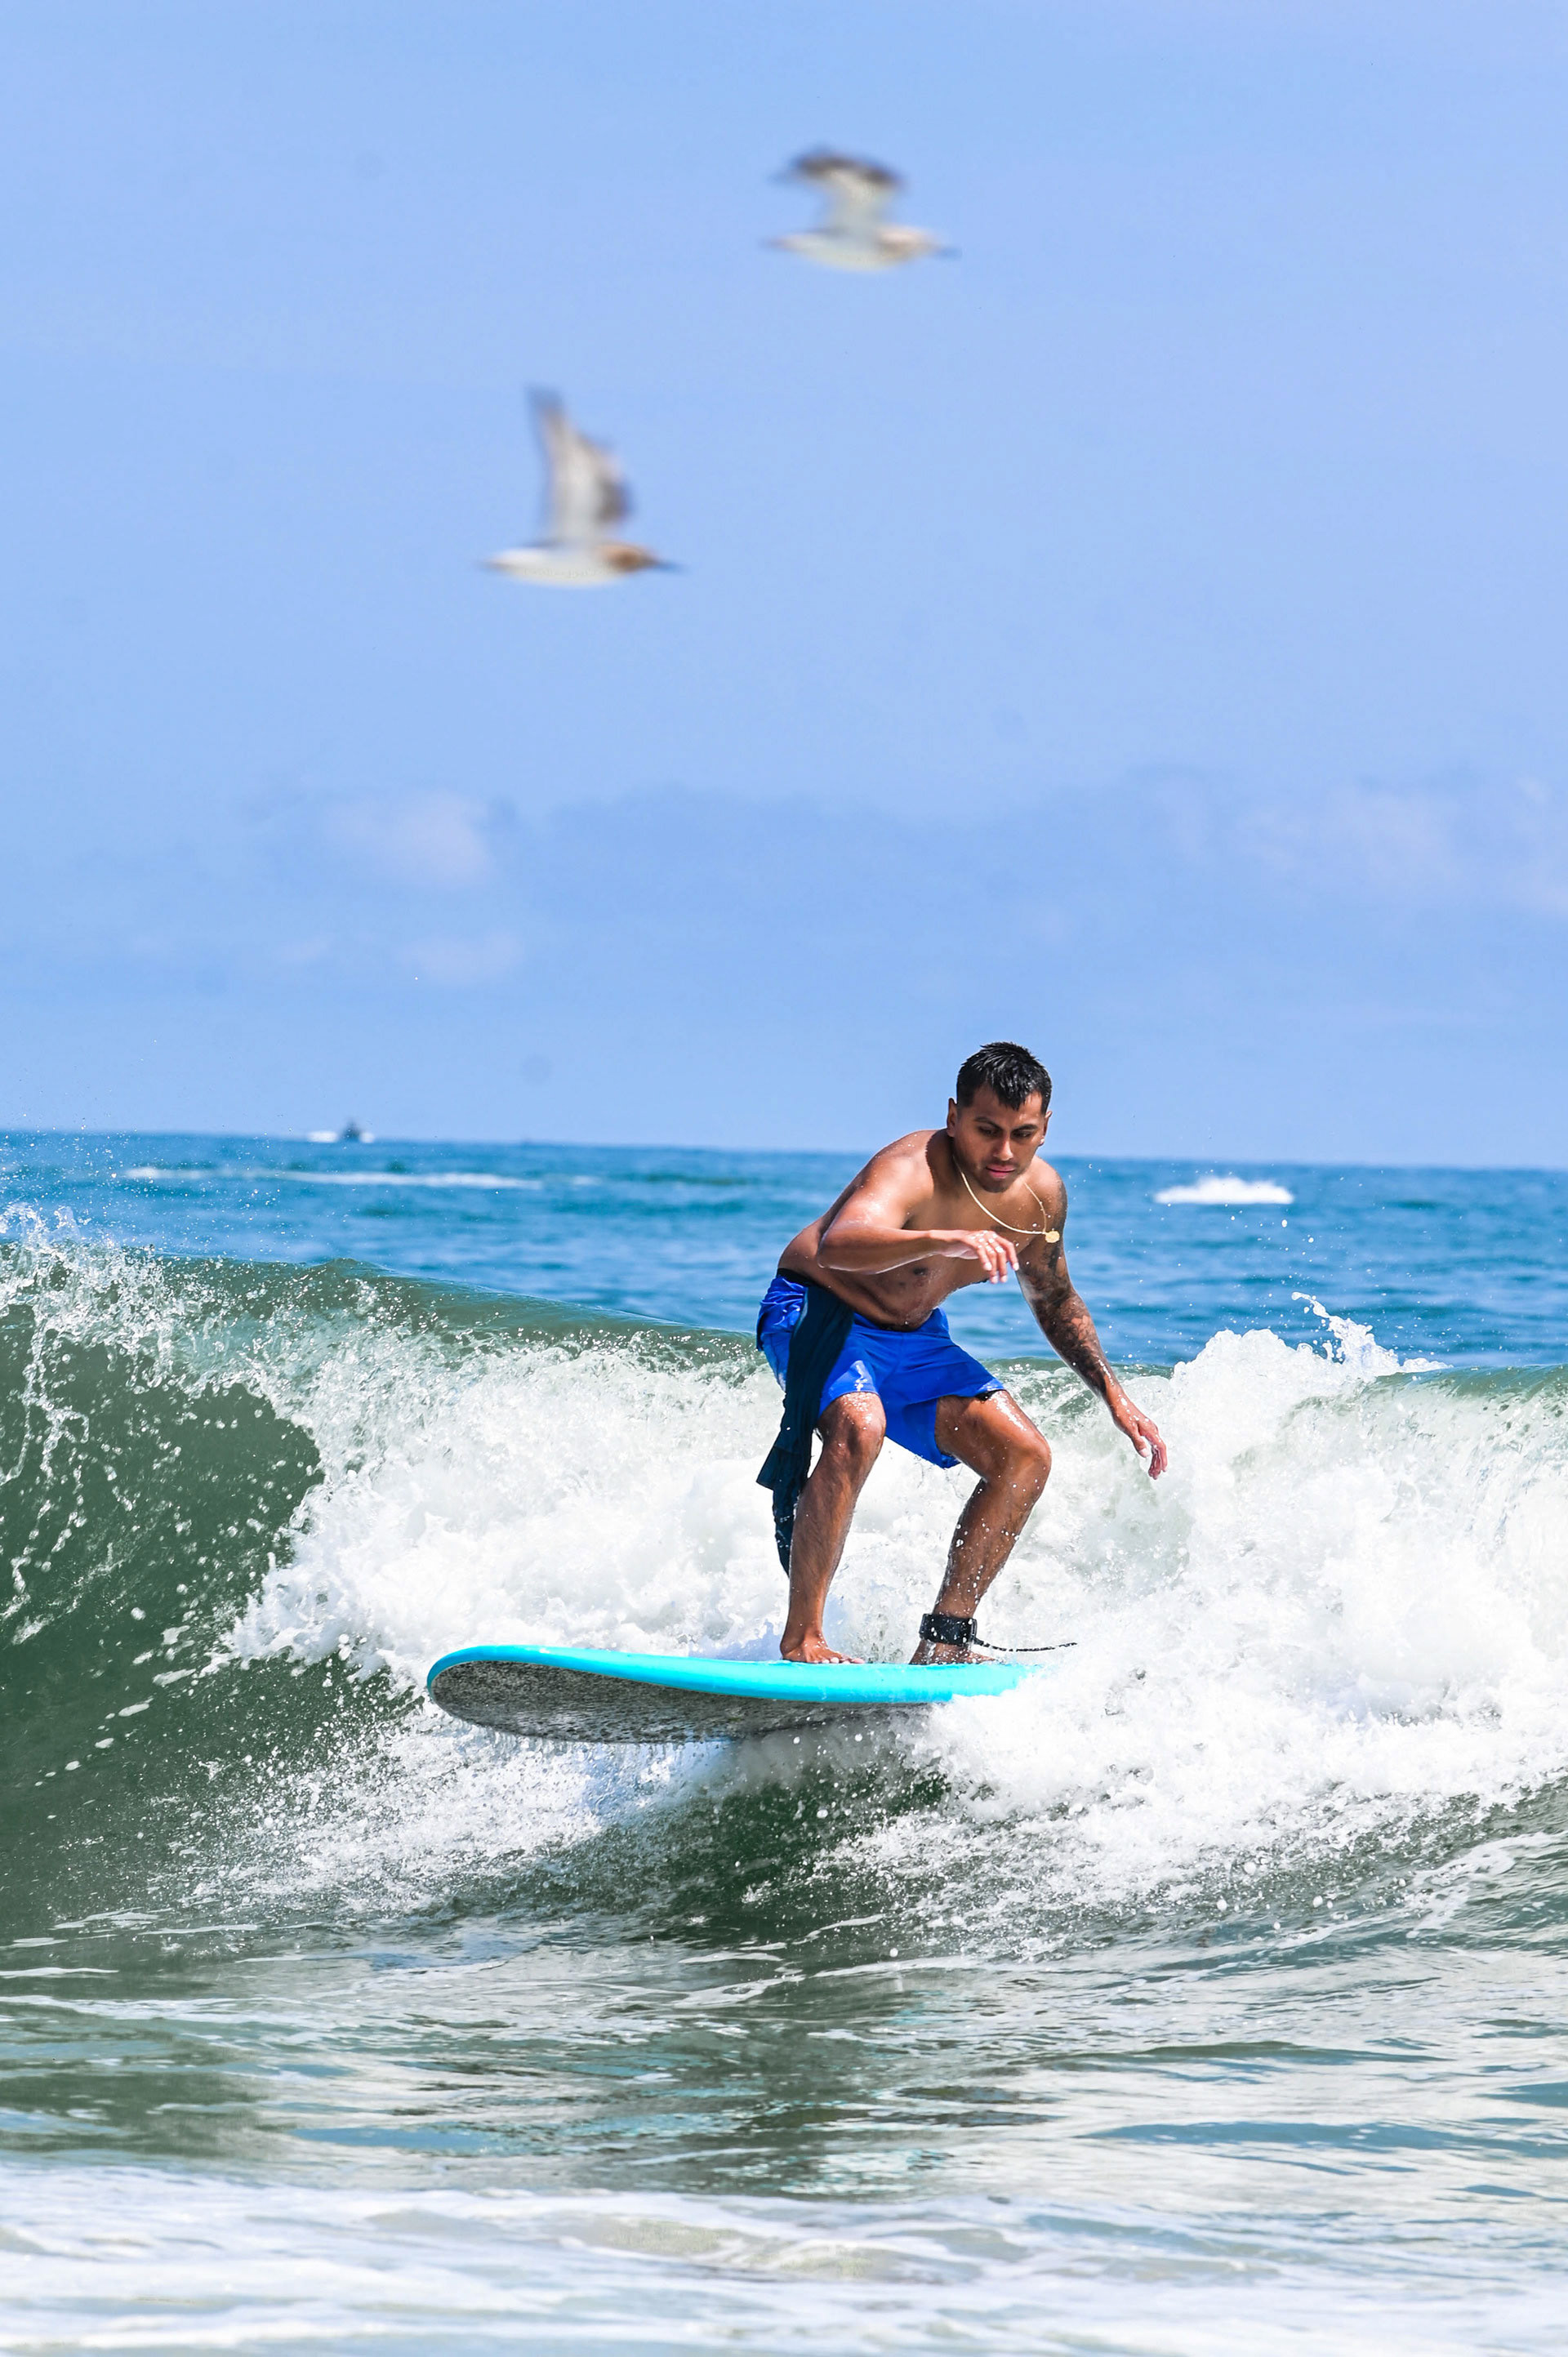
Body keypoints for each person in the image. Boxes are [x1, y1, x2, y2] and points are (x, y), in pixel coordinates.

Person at [756, 1041, 1167, 1664]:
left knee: (1024, 1457)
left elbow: (1055, 1298)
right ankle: (803, 1639)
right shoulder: (912, 1167)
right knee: (859, 1426)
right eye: (986, 1130)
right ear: (954, 1117)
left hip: (915, 1337)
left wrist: (1114, 1395)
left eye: (1022, 1134)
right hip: (821, 1311)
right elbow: (840, 1243)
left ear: (1045, 1128)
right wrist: (941, 1239)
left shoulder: (1040, 1199)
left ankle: (944, 1641)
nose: (1004, 1153)